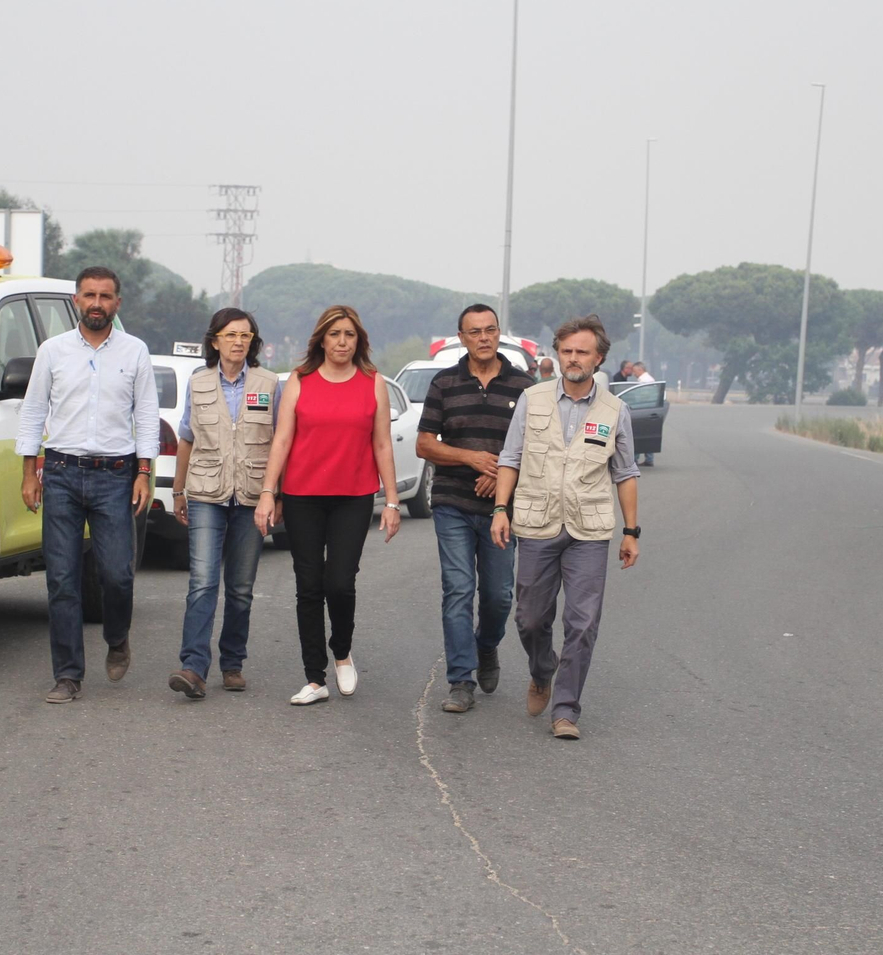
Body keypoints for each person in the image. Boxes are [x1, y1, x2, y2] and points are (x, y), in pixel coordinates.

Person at [491, 316, 640, 740]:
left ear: (599, 358)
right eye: (567, 351)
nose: (573, 359)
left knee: (583, 621)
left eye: (583, 352)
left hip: (588, 530)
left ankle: (566, 709)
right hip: (536, 524)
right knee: (530, 618)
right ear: (557, 354)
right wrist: (501, 509)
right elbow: (510, 458)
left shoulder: (615, 410)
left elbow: (625, 472)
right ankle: (542, 671)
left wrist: (632, 531)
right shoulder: (532, 399)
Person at [17, 266, 159, 705]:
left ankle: (117, 638)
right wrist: (28, 472)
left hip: (115, 476)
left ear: (117, 303)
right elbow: (33, 410)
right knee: (62, 580)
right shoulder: (53, 351)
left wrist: (144, 473)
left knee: (117, 575)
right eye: (89, 295)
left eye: (106, 296)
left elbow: (147, 415)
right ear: (76, 300)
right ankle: (68, 675)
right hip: (59, 472)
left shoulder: (135, 352)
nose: (97, 303)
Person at [254, 305, 400, 705]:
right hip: (303, 495)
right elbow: (282, 439)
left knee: (339, 581)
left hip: (353, 496)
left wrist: (391, 501)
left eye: (349, 335)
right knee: (308, 586)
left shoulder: (373, 382)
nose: (341, 341)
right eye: (334, 334)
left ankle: (341, 651)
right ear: (321, 338)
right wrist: (269, 492)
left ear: (359, 341)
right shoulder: (300, 380)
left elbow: (382, 443)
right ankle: (315, 678)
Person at [415, 304, 536, 713]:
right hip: (452, 503)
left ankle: (487, 647)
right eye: (474, 331)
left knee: (500, 596)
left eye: (490, 330)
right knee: (459, 590)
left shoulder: (523, 385)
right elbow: (424, 444)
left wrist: (500, 470)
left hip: (503, 509)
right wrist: (471, 458)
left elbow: (537, 446)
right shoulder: (444, 383)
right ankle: (460, 681)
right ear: (461, 337)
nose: (483, 337)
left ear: (499, 334)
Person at [166, 308, 280, 699]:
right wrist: (178, 490)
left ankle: (232, 662)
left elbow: (281, 443)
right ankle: (193, 666)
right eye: (231, 335)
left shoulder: (268, 383)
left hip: (251, 496)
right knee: (202, 582)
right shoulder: (198, 382)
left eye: (245, 336)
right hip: (205, 493)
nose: (238, 342)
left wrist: (274, 493)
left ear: (254, 342)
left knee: (241, 587)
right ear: (214, 340)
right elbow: (186, 438)